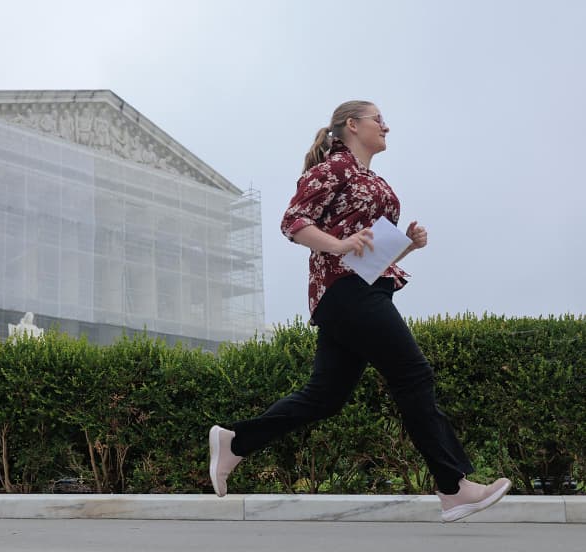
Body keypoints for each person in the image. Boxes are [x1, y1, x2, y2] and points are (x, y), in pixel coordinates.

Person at [209, 100, 511, 523]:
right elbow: (293, 222)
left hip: (361, 288)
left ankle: (236, 442)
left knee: (325, 397)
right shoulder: (333, 168)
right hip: (346, 291)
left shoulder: (370, 178)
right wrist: (338, 245)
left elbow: (368, 251)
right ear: (352, 125)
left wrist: (407, 245)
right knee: (413, 375)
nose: (386, 126)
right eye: (378, 120)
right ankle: (454, 487)